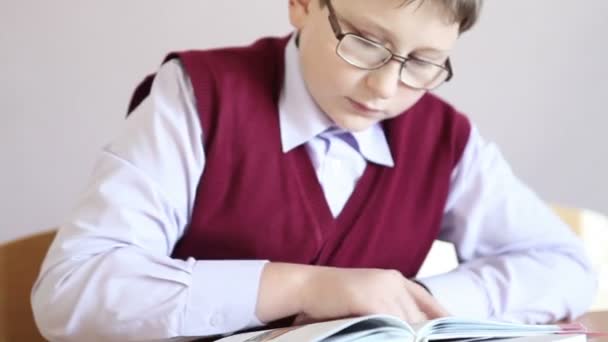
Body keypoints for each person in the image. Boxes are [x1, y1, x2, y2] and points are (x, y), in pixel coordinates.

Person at [31, 0, 596, 341]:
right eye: (365, 44)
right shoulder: (198, 98)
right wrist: (305, 286)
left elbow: (564, 265)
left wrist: (407, 299)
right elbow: (70, 292)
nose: (385, 86)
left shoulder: (443, 136)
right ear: (303, 3)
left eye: (422, 62)